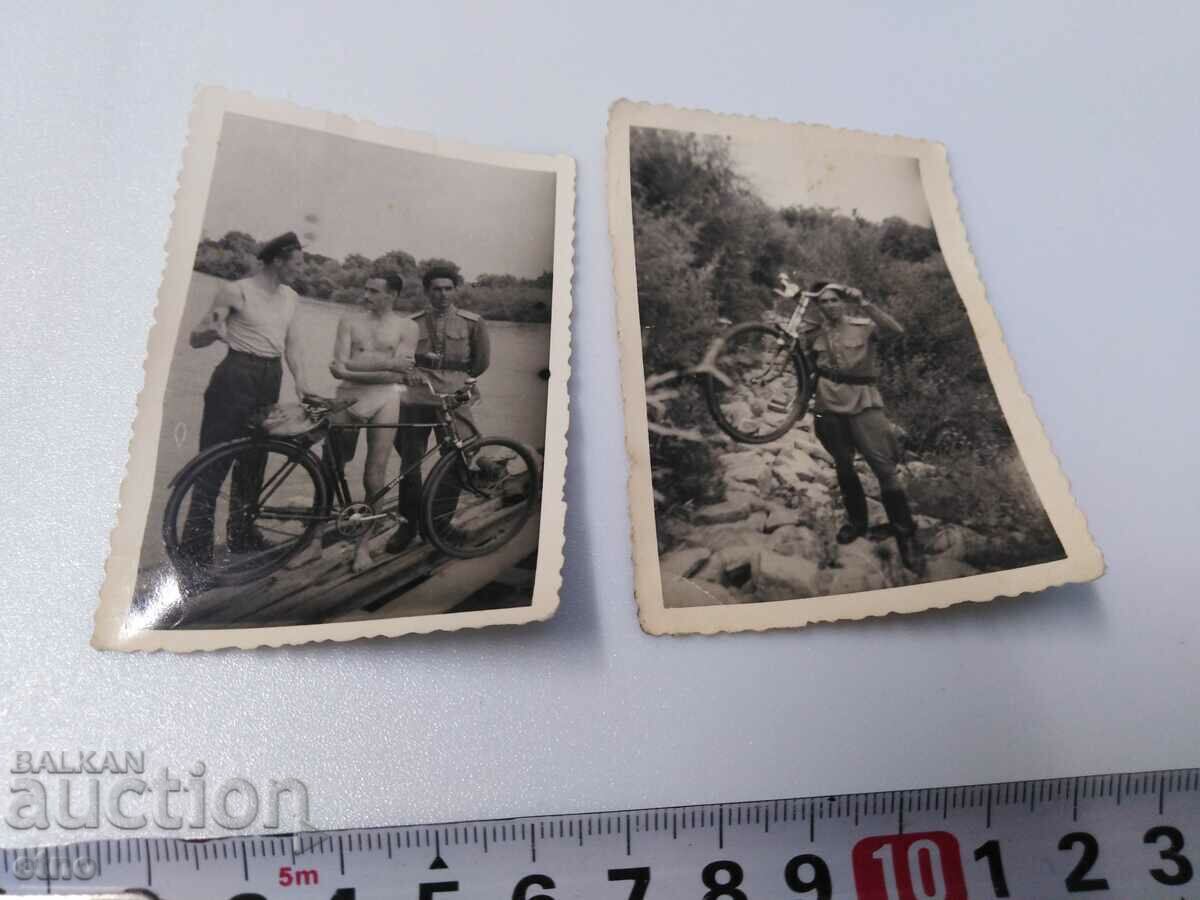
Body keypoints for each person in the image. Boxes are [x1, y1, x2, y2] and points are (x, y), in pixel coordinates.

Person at [179, 231, 312, 568]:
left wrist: (302, 384)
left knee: (253, 463)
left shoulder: (291, 297)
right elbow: (195, 338)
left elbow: (293, 345)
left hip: (270, 377)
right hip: (235, 376)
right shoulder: (236, 291)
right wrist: (211, 332)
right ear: (277, 261)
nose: (301, 270)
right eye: (297, 264)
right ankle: (194, 552)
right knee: (213, 463)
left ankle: (242, 536)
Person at [798, 281, 925, 573]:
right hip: (828, 404)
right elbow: (808, 370)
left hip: (864, 402)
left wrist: (865, 303)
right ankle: (857, 522)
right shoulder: (814, 333)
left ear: (843, 302)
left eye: (834, 300)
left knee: (883, 468)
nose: (829, 305)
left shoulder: (863, 325)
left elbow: (897, 331)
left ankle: (905, 533)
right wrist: (800, 406)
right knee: (843, 465)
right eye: (824, 302)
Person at [387, 266, 490, 554]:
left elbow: (480, 362)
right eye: (436, 289)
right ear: (426, 291)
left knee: (458, 456)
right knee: (410, 464)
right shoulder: (411, 324)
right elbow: (401, 359)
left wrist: (461, 382)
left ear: (455, 290)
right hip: (418, 398)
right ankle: (407, 526)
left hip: (454, 399)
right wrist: (411, 372)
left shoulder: (473, 323)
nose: (442, 294)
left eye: (447, 288)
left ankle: (439, 523)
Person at [328, 274, 420, 572]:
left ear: (392, 295)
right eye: (365, 289)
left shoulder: (408, 327)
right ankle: (313, 541)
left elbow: (396, 376)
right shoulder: (349, 321)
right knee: (331, 467)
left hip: (385, 399)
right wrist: (388, 363)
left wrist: (352, 368)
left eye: (373, 291)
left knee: (374, 474)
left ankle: (363, 546)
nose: (365, 295)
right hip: (348, 396)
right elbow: (338, 365)